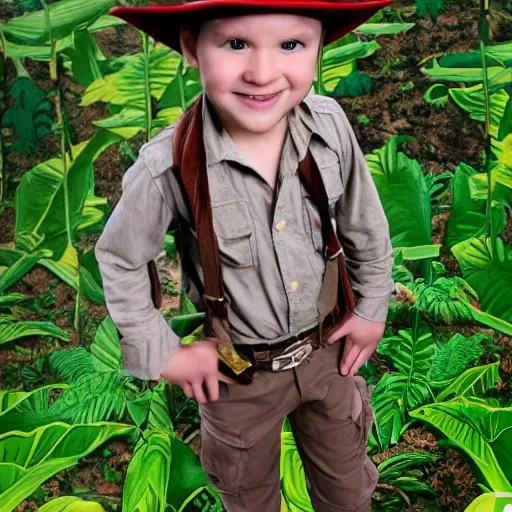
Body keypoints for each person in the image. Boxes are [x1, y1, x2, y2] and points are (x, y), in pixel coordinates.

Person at [96, 1, 394, 510]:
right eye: (236, 44)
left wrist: (370, 308)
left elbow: (364, 222)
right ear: (192, 47)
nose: (261, 72)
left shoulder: (329, 128)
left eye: (291, 45)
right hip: (240, 372)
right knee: (248, 492)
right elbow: (121, 257)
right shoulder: (169, 166)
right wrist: (162, 351)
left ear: (319, 47)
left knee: (346, 485)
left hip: (328, 353)